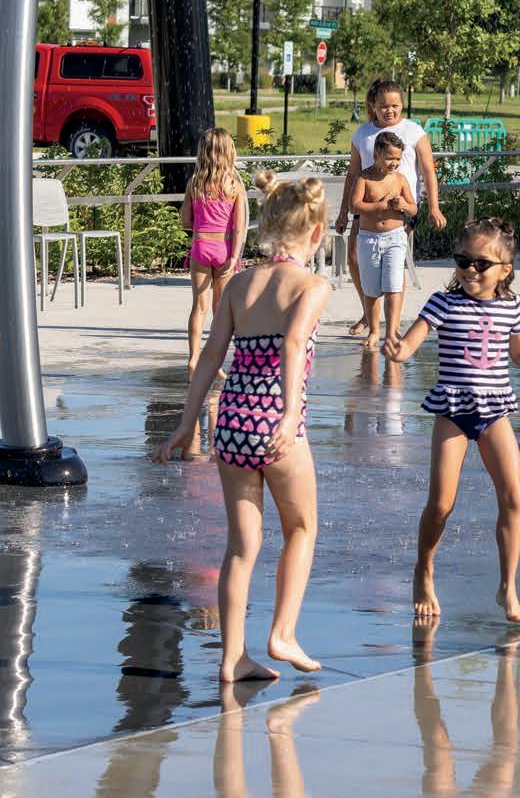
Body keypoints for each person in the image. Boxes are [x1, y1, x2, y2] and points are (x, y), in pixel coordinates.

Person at [153, 172, 332, 682]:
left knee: (240, 545)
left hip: (231, 423)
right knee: (301, 528)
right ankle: (283, 634)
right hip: (276, 420)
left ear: (265, 226)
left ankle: (233, 657)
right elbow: (293, 344)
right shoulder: (313, 286)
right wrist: (290, 415)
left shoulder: (237, 284)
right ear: (316, 233)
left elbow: (211, 357)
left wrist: (186, 423)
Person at [383, 218, 520, 623]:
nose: (471, 270)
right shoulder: (443, 303)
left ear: (505, 270)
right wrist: (398, 351)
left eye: (482, 264)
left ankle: (508, 587)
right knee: (441, 504)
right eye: (463, 261)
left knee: (513, 497)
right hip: (454, 411)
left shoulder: (511, 308)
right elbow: (410, 344)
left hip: (494, 411)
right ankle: (424, 568)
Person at [336, 78, 446, 329]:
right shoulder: (362, 134)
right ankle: (369, 314)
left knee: (393, 263)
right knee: (354, 258)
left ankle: (393, 325)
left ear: (402, 105)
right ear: (372, 106)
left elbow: (428, 171)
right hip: (366, 206)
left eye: (395, 105)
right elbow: (353, 175)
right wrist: (343, 212)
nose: (390, 110)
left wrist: (434, 207)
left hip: (401, 209)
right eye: (384, 106)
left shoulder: (414, 131)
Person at [181, 126, 248, 369]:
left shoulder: (195, 183)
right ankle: (216, 363)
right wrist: (235, 256)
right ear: (229, 152)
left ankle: (193, 358)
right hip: (224, 247)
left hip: (200, 245)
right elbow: (239, 226)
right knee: (220, 311)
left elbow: (185, 221)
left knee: (199, 307)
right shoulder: (233, 185)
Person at [348, 130, 417, 345]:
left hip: (395, 238)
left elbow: (413, 208)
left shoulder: (400, 180)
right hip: (369, 238)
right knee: (371, 290)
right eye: (389, 158)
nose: (394, 163)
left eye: (398, 159)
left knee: (393, 286)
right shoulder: (364, 178)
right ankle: (374, 331)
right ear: (376, 154)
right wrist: (380, 206)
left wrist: (403, 205)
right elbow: (354, 206)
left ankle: (391, 332)